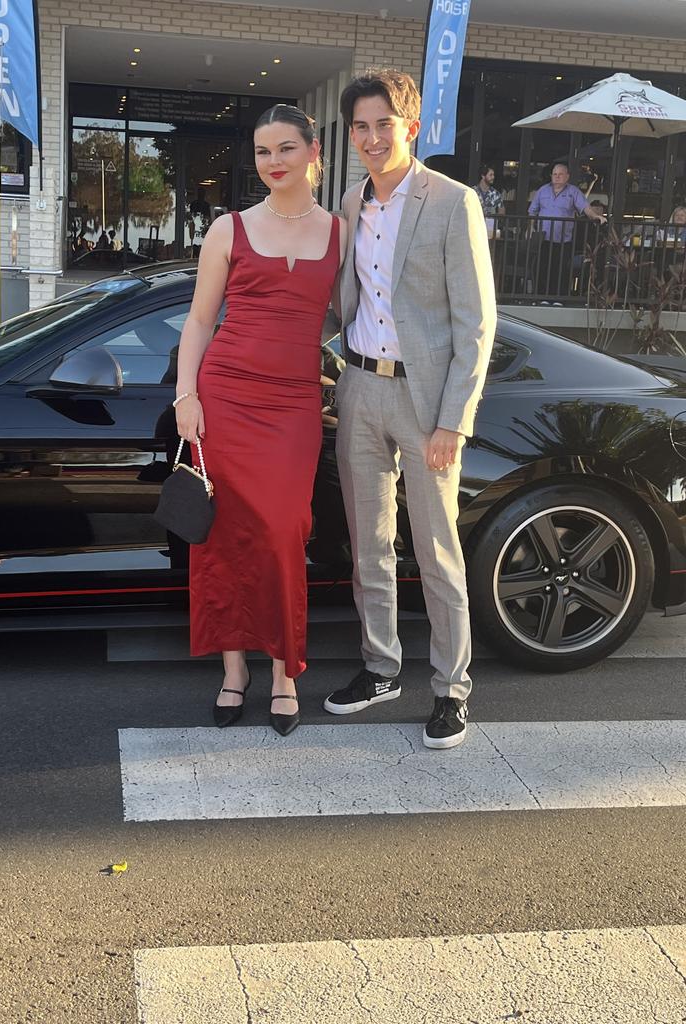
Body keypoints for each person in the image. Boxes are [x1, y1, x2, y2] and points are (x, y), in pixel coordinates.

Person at [323, 68, 496, 750]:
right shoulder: (348, 201)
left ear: (411, 127)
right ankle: (379, 668)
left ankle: (451, 690)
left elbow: (476, 323)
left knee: (436, 550)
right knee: (368, 545)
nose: (370, 138)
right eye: (360, 127)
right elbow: (345, 298)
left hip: (426, 402)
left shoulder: (451, 203)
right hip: (360, 387)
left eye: (382, 125)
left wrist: (453, 420)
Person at [175, 104, 347, 737]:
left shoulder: (340, 230)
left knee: (282, 534)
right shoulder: (229, 229)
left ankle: (284, 671)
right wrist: (185, 398)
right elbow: (198, 320)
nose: (273, 162)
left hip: (294, 404)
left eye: (285, 149)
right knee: (224, 537)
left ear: (312, 152)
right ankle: (233, 670)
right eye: (262, 152)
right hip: (226, 396)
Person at [528, 162, 606, 300]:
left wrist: (596, 216)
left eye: (560, 174)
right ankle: (542, 298)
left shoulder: (573, 192)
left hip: (564, 239)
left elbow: (585, 208)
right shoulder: (542, 191)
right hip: (544, 238)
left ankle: (559, 299)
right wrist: (530, 229)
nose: (557, 177)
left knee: (561, 270)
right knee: (543, 268)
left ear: (567, 176)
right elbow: (532, 212)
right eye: (554, 174)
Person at [473, 163, 505, 237]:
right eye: (490, 175)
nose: (493, 177)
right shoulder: (473, 192)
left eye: (493, 175)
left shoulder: (495, 193)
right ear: (483, 176)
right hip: (475, 227)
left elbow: (502, 211)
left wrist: (496, 219)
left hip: (490, 228)